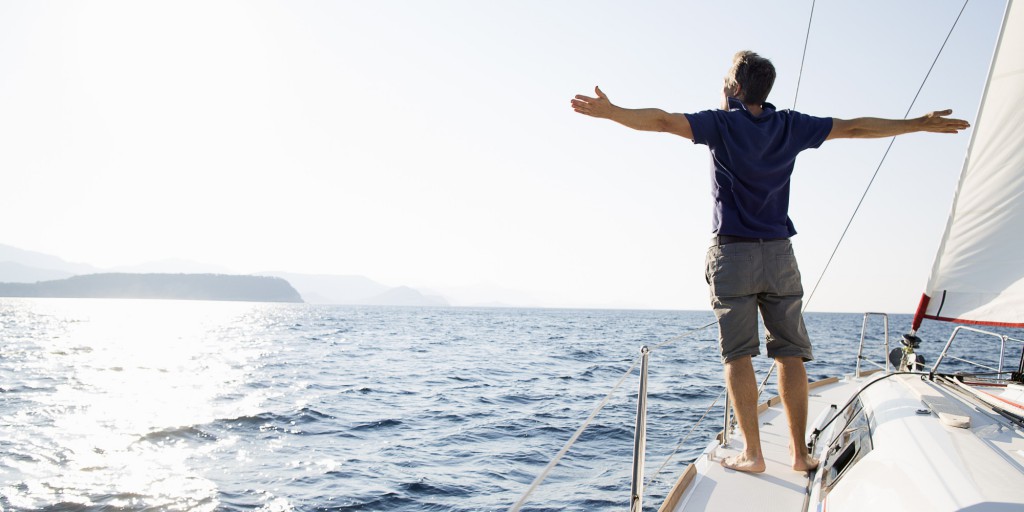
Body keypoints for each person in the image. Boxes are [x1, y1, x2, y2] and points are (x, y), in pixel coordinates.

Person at [570, 51, 970, 474]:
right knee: (789, 354)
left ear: (737, 89)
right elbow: (855, 127)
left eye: (726, 82)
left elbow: (664, 120)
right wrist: (918, 124)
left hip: (734, 254)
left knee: (738, 357)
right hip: (780, 253)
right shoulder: (789, 125)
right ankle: (799, 455)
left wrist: (613, 112)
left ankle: (753, 455)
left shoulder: (720, 124)